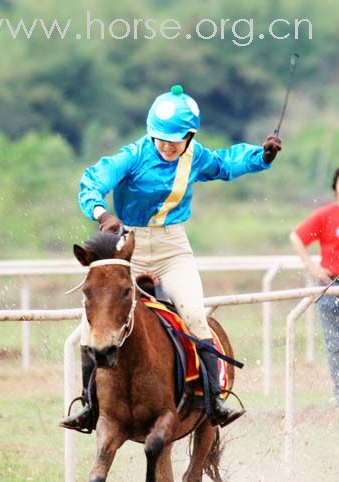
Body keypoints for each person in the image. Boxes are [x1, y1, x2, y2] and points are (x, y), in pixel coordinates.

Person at [60, 84, 282, 432]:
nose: (166, 145)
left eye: (174, 140)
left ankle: (213, 402)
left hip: (172, 250)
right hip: (126, 250)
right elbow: (93, 180)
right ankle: (89, 407)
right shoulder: (132, 155)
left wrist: (262, 156)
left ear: (190, 136)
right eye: (160, 138)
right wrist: (103, 213)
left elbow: (227, 163)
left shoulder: (196, 157)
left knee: (195, 316)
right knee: (94, 328)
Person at [289, 166, 339, 403]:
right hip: (331, 287)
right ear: (335, 189)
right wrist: (313, 268)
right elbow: (296, 237)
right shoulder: (325, 215)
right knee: (335, 344)